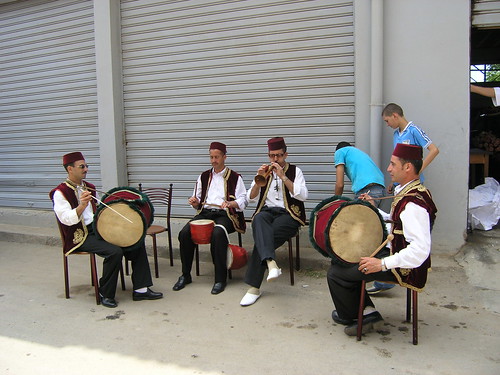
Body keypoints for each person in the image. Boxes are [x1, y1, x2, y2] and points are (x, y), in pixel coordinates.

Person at [327, 143, 437, 336]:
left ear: (408, 167)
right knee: (342, 260)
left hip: (406, 267)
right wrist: (374, 208)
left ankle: (353, 315)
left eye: (393, 164)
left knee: (337, 271)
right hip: (397, 253)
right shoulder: (409, 191)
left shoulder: (413, 204)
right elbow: (396, 223)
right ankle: (368, 312)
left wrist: (382, 264)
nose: (388, 169)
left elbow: (420, 250)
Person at [50, 152, 163, 308]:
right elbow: (66, 219)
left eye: (86, 166)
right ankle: (105, 292)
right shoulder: (60, 192)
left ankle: (141, 289)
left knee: (136, 239)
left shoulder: (89, 187)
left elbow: (99, 212)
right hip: (80, 235)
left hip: (98, 228)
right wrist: (82, 206)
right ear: (70, 169)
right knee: (114, 251)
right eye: (82, 166)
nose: (86, 169)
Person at [376, 103, 439, 294]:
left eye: (387, 120)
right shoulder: (396, 135)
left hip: (412, 184)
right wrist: (393, 183)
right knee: (396, 224)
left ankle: (408, 267)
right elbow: (397, 162)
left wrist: (417, 170)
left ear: (395, 116)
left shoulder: (414, 130)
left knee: (413, 229)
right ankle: (388, 271)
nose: (387, 124)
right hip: (399, 184)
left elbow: (434, 150)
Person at [240, 137, 308, 306]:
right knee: (259, 219)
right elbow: (250, 198)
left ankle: (254, 288)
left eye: (278, 155)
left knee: (263, 238)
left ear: (286, 155)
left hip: (289, 214)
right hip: (267, 212)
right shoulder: (265, 171)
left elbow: (303, 195)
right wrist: (258, 179)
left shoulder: (295, 171)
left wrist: (284, 177)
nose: (275, 160)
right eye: (272, 156)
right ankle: (271, 263)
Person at [172, 142, 247, 295]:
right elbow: (197, 200)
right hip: (206, 213)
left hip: (226, 214)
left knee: (217, 234)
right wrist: (194, 202)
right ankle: (185, 275)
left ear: (224, 157)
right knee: (184, 233)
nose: (214, 160)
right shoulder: (204, 176)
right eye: (211, 157)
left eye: (217, 157)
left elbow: (243, 200)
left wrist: (232, 203)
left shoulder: (235, 177)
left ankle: (220, 279)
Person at [334, 141, 386, 207]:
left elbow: (339, 185)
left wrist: (335, 202)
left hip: (367, 191)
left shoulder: (340, 152)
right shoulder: (357, 152)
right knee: (372, 216)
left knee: (357, 216)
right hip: (380, 189)